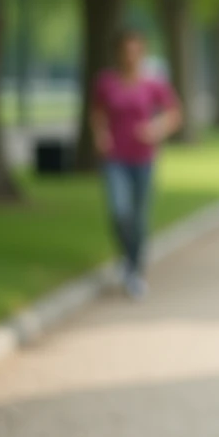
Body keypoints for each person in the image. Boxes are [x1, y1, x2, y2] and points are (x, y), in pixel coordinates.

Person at [91, 29, 183, 300]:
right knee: (119, 212)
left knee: (139, 218)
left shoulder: (153, 83)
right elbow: (97, 112)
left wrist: (156, 129)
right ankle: (127, 257)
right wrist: (100, 135)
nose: (130, 56)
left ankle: (135, 271)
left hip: (144, 158)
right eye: (126, 50)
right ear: (118, 53)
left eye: (136, 50)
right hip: (115, 158)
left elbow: (174, 114)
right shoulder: (106, 82)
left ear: (142, 52)